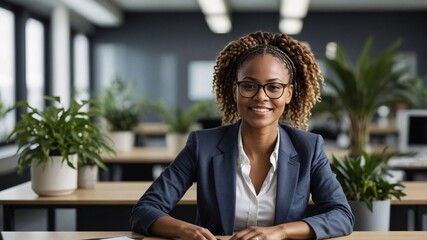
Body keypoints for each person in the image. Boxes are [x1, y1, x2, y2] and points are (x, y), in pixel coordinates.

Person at [130, 31, 354, 240]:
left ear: (289, 93)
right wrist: (186, 230)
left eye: (274, 87)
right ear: (234, 90)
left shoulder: (309, 148)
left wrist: (281, 232)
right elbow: (145, 210)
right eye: (249, 86)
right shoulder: (203, 145)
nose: (261, 97)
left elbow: (342, 215)